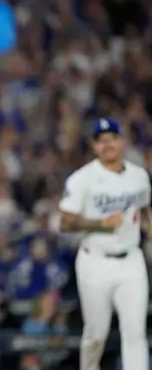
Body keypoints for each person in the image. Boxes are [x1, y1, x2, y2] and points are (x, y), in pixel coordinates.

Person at [59, 118, 150, 370]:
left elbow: (143, 210)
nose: (108, 145)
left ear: (122, 141)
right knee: (96, 334)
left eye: (112, 139)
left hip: (131, 260)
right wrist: (99, 224)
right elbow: (65, 222)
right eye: (102, 141)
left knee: (135, 333)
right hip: (95, 261)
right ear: (94, 146)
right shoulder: (82, 179)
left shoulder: (138, 176)